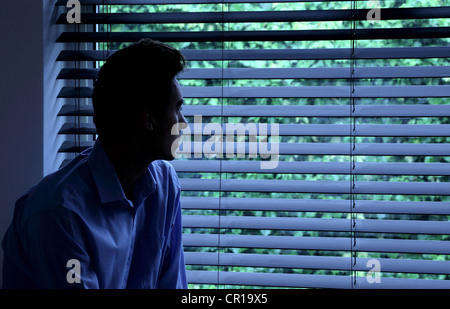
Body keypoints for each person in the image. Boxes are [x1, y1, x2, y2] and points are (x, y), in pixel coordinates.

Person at [2, 39, 189, 289]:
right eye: (177, 109)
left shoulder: (164, 183)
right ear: (149, 119)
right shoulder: (58, 216)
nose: (184, 123)